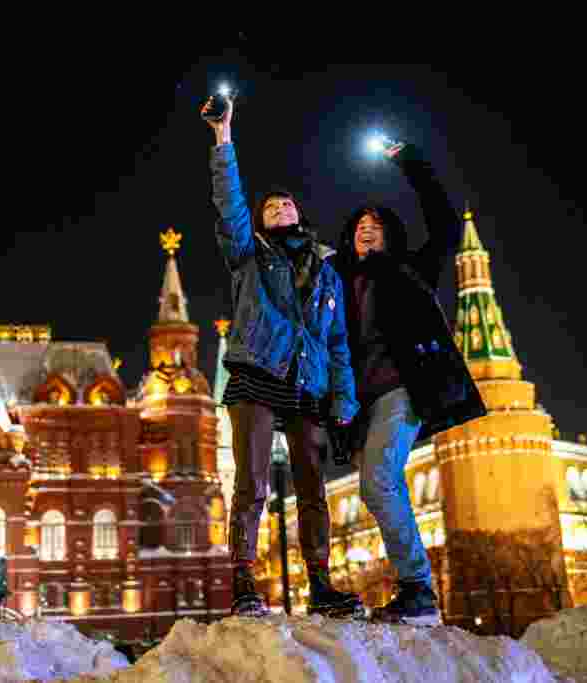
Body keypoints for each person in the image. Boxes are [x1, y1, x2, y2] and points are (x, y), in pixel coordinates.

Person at [203, 95, 363, 618]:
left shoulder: (326, 269)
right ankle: (245, 583)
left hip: (306, 385)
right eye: (269, 209)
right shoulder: (248, 255)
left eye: (285, 206)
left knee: (313, 490)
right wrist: (224, 140)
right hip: (255, 375)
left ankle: (321, 585)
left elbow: (337, 343)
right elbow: (229, 206)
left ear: (299, 214)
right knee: (250, 482)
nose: (279, 211)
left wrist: (343, 397)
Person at [333, 141, 487, 626]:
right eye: (360, 225)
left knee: (378, 482)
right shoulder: (335, 279)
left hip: (402, 391)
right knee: (376, 488)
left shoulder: (409, 270)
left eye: (375, 227)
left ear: (391, 237)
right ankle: (414, 589)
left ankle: (419, 590)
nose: (366, 229)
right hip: (358, 404)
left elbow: (443, 222)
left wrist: (411, 161)